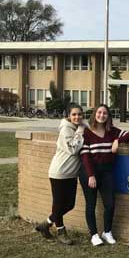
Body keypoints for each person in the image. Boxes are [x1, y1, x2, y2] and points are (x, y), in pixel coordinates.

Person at [79, 104, 129, 246]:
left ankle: (107, 232)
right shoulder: (87, 133)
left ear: (108, 116)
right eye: (99, 112)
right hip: (89, 172)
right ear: (94, 114)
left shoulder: (112, 131)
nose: (101, 115)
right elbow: (85, 156)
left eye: (105, 113)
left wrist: (117, 140)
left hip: (107, 172)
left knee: (110, 204)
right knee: (90, 205)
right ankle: (94, 235)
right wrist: (91, 175)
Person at [35, 104, 87, 245]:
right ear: (68, 116)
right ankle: (61, 232)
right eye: (74, 114)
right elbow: (73, 149)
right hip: (59, 172)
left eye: (80, 114)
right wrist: (81, 131)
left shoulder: (78, 127)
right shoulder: (66, 129)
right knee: (58, 205)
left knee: (69, 204)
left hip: (71, 173)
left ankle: (45, 224)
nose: (77, 117)